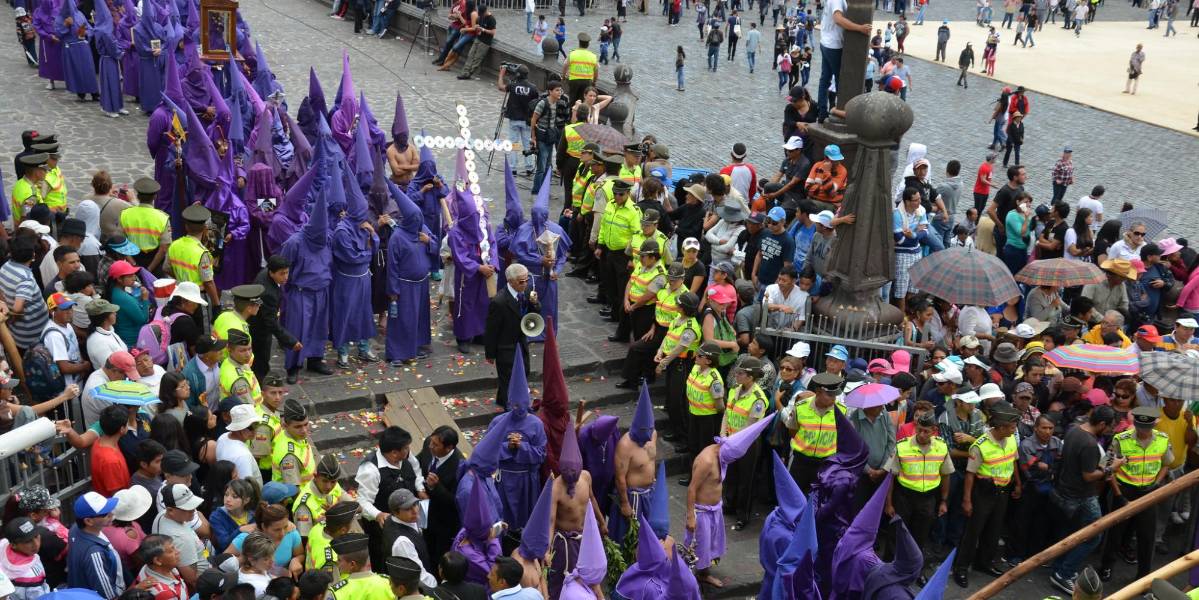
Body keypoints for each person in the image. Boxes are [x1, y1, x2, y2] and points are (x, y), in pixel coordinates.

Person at [1048, 405, 1120, 595]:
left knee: (1070, 534)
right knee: (1094, 536)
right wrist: (1112, 467)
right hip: (1082, 496)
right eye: (1109, 426)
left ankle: (1058, 569)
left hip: (1065, 491)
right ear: (1102, 423)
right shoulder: (1089, 443)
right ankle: (1065, 573)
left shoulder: (1074, 431)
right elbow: (1089, 475)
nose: (1110, 430)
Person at [952, 402, 1020, 589]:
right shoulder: (979, 445)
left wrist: (1018, 484)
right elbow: (970, 474)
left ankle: (984, 562)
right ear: (1000, 426)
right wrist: (967, 500)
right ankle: (961, 568)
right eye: (1012, 426)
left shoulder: (1011, 439)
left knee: (994, 529)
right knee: (973, 532)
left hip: (1003, 491)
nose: (1015, 430)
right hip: (983, 493)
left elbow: (1013, 462)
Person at [1099, 406, 1170, 582]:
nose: (1143, 432)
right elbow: (1107, 469)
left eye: (1147, 428)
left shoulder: (1162, 439)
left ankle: (1144, 575)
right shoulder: (1120, 440)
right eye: (1140, 428)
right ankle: (1106, 567)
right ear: (1135, 424)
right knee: (1115, 533)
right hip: (1124, 489)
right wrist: (1118, 495)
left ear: (1154, 425)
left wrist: (1156, 484)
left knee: (1147, 535)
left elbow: (1167, 463)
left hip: (1148, 491)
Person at [817, 0, 872, 119]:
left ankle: (822, 112)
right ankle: (841, 110)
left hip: (826, 42)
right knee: (840, 80)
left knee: (825, 79)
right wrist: (859, 28)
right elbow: (838, 19)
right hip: (834, 45)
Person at [249, 256, 300, 382]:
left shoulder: (265, 273)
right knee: (261, 361)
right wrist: (290, 341)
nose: (286, 277)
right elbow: (270, 322)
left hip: (256, 321)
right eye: (282, 274)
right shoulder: (268, 293)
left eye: (287, 272)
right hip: (259, 329)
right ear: (271, 272)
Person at [68, 492, 124, 599]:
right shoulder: (94, 553)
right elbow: (108, 595)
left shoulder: (75, 529)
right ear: (88, 521)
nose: (112, 515)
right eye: (106, 514)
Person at [166, 205, 219, 310]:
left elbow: (166, 268)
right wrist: (217, 305)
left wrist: (182, 279)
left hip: (180, 294)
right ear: (204, 228)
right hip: (197, 298)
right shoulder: (202, 253)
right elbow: (208, 283)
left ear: (186, 226)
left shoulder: (175, 245)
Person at [383, 489, 436, 587]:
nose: (415, 511)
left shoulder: (400, 519)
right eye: (408, 509)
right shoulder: (402, 542)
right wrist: (436, 589)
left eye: (415, 505)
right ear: (395, 512)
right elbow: (419, 577)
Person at [118, 179, 171, 273]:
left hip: (132, 260)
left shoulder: (125, 214)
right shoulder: (162, 217)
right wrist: (149, 269)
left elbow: (121, 242)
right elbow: (164, 248)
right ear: (155, 196)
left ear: (137, 196)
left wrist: (133, 264)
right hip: (155, 263)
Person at [328, 534, 393, 600]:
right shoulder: (388, 583)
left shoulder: (338, 592)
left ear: (352, 564)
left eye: (339, 560)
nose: (337, 562)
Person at [457, 4, 497, 80]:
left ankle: (468, 74)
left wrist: (483, 30)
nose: (481, 15)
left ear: (486, 11)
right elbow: (476, 27)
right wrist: (476, 28)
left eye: (482, 13)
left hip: (485, 42)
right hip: (478, 38)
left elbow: (493, 32)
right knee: (470, 55)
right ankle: (465, 72)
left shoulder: (491, 19)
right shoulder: (480, 17)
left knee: (477, 58)